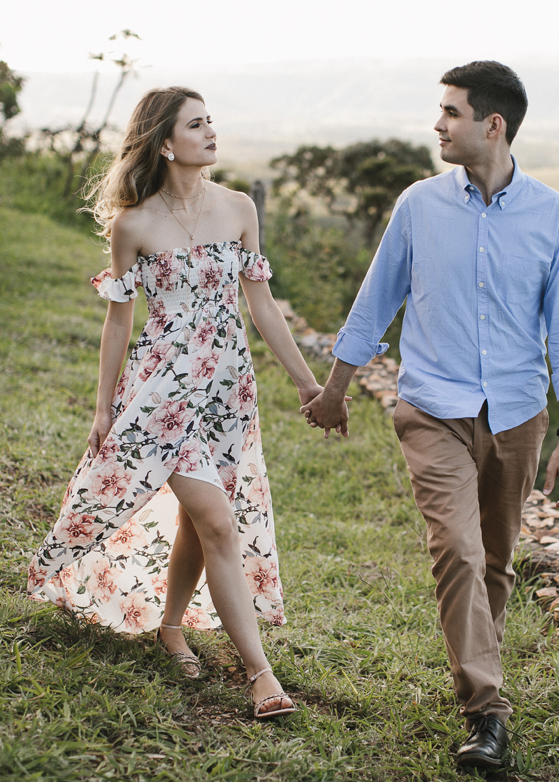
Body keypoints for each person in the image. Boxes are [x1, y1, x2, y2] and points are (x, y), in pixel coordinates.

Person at [303, 61, 559, 767]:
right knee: (459, 554)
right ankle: (487, 714)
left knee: (496, 563)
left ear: (492, 125)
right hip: (432, 407)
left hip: (518, 417)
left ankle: (478, 681)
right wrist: (336, 388)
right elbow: (376, 302)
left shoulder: (555, 217)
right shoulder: (418, 205)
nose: (438, 124)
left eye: (451, 113)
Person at [28, 86, 338, 718]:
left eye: (211, 121)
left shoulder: (240, 208)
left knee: (206, 519)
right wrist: (103, 406)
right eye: (197, 125)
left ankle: (172, 624)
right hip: (161, 394)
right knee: (218, 520)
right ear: (166, 143)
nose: (211, 132)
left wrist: (309, 383)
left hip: (227, 392)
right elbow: (120, 321)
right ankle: (261, 674)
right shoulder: (134, 223)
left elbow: (261, 308)